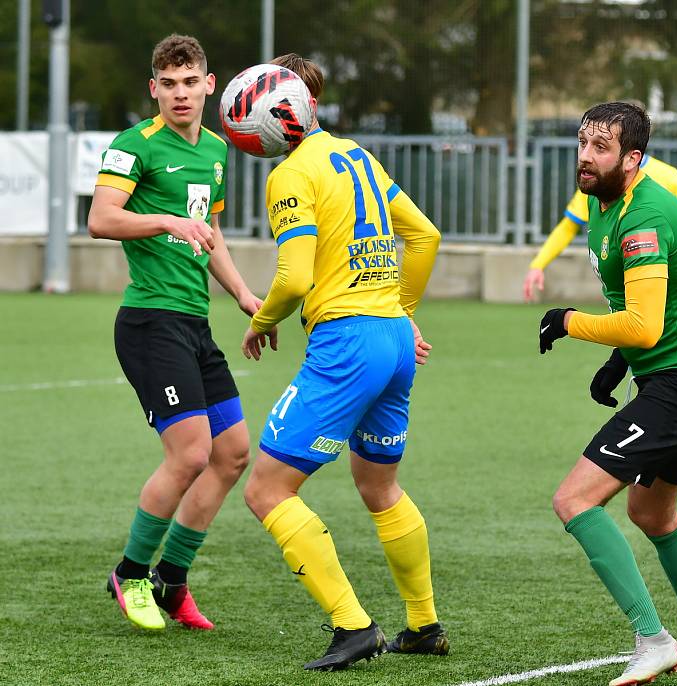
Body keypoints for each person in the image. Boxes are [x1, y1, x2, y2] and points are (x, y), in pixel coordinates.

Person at [239, 57, 448, 671]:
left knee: (266, 489)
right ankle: (424, 622)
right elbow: (426, 236)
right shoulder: (357, 155)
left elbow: (295, 275)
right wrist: (401, 310)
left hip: (348, 344)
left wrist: (261, 321)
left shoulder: (290, 175)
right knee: (379, 485)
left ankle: (353, 626)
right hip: (391, 340)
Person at [538, 102, 677, 686]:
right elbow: (648, 315)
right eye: (582, 143)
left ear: (633, 158)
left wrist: (569, 321)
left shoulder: (644, 216)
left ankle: (654, 640)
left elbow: (645, 326)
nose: (585, 156)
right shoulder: (605, 206)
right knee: (651, 511)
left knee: (574, 500)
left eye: (601, 147)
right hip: (675, 380)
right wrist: (616, 363)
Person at [87, 34, 261, 631]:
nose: (180, 93)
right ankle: (130, 574)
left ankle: (171, 581)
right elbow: (100, 218)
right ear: (153, 88)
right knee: (190, 453)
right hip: (149, 322)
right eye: (169, 84)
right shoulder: (134, 145)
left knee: (233, 453)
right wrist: (165, 219)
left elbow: (209, 235)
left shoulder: (217, 150)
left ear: (209, 85)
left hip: (194, 321)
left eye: (191, 82)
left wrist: (241, 294)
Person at [523, 155, 677, 302]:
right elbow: (568, 226)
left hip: (668, 279)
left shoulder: (667, 175)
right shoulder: (597, 181)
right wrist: (538, 264)